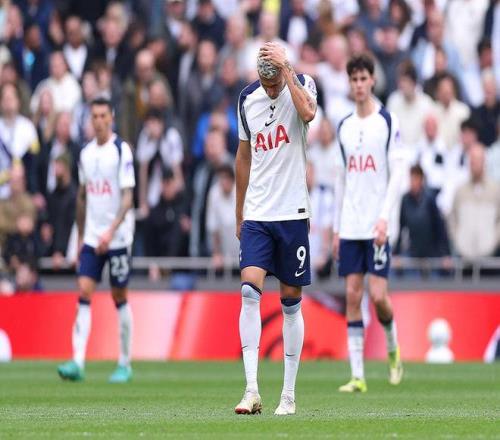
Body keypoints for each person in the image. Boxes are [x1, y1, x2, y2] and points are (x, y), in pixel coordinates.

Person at [234, 42, 317, 416]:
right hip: (258, 212)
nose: (270, 91)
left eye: (274, 83)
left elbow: (309, 113)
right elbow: (243, 156)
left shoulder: (303, 84)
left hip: (292, 212)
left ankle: (288, 395)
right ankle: (251, 389)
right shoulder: (246, 99)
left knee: (290, 303)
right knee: (249, 291)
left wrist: (288, 71)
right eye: (265, 83)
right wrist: (239, 213)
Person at [333, 54, 404, 393]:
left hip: (376, 225)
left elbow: (397, 174)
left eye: (363, 79)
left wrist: (385, 217)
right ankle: (358, 375)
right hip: (350, 224)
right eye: (354, 79)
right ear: (349, 84)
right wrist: (336, 228)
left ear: (373, 80)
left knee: (378, 296)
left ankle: (393, 350)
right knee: (351, 294)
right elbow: (340, 180)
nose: (359, 85)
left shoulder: (387, 121)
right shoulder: (344, 126)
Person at [57, 97, 135, 384]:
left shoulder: (121, 150)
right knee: (84, 291)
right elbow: (82, 196)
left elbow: (127, 197)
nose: (99, 121)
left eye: (103, 116)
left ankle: (124, 363)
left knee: (119, 296)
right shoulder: (86, 154)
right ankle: (77, 361)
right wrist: (81, 237)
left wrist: (111, 231)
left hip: (118, 237)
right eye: (95, 117)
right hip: (91, 236)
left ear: (111, 118)